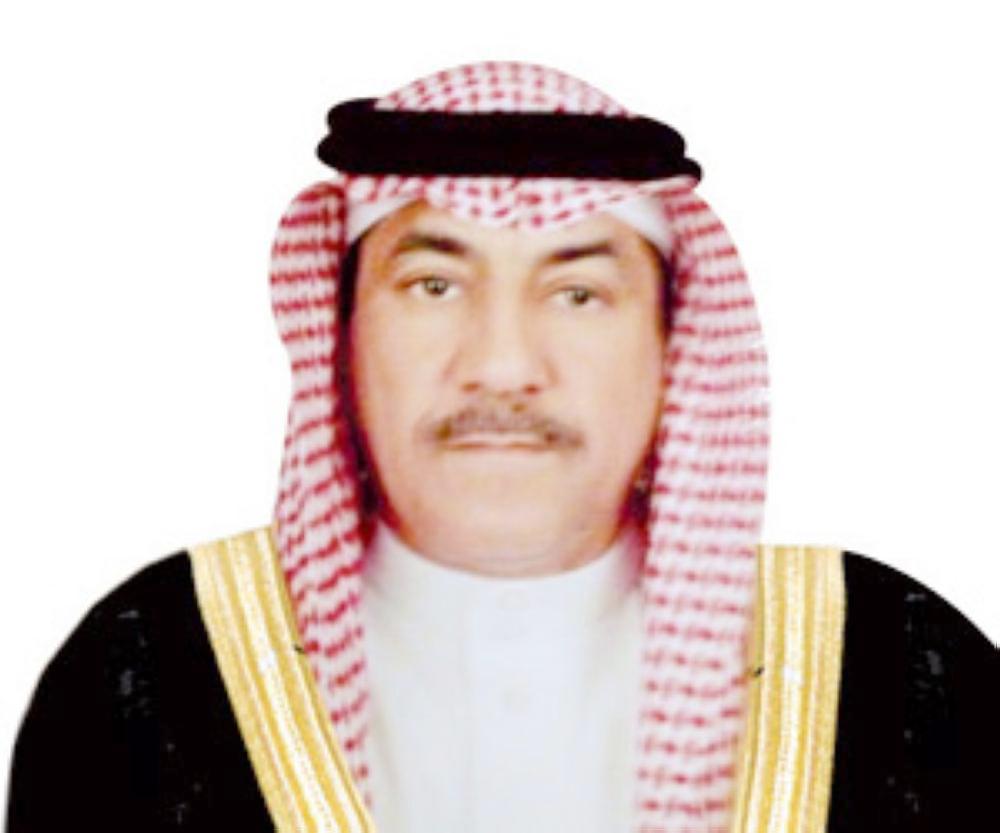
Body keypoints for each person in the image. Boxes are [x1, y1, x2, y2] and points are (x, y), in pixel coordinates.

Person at [5, 62, 996, 833]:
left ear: (673, 347)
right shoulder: (151, 668)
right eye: (434, 285)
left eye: (578, 294)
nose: (503, 365)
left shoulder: (899, 670)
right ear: (342, 334)